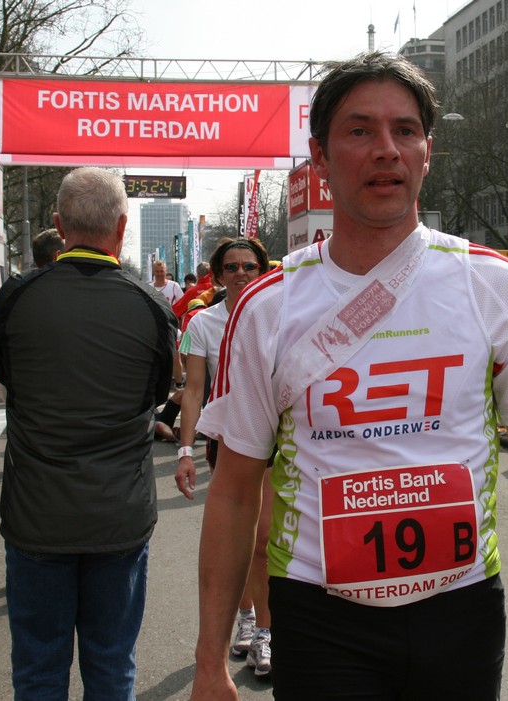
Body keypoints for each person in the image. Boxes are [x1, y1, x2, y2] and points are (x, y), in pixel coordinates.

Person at [188, 52, 508, 701]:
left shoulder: (493, 285)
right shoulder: (267, 307)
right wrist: (209, 663)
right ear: (319, 156)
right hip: (318, 616)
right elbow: (232, 492)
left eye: (405, 130)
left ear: (426, 152)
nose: (386, 149)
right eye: (360, 130)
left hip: (463, 610)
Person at [0, 167, 176, 699]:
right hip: (119, 513)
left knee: (38, 669)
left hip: (36, 514)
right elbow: (155, 396)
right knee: (112, 665)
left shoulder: (17, 297)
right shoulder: (151, 306)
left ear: (58, 224)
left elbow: (5, 382)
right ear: (122, 227)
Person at [174, 237, 275, 675]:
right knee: (240, 539)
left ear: (262, 271)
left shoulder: (279, 315)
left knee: (263, 540)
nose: (241, 274)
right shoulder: (203, 322)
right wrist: (185, 450)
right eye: (231, 267)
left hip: (272, 439)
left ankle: (266, 631)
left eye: (249, 266)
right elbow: (194, 390)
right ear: (217, 276)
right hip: (228, 442)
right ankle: (247, 619)